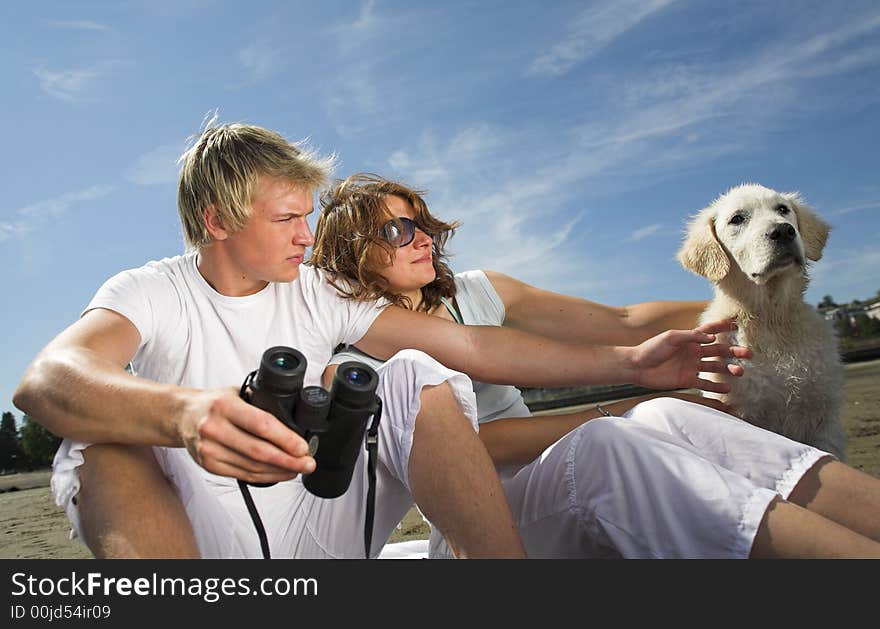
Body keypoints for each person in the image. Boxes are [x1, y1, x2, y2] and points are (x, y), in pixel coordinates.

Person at [12, 121, 746, 559]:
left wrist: (629, 365)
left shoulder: (319, 292)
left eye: (309, 214)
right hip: (196, 529)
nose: (309, 234)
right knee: (100, 447)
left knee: (411, 370)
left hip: (315, 517)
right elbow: (47, 379)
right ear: (218, 223)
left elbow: (480, 351)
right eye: (287, 219)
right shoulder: (151, 289)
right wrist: (183, 414)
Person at [309, 173, 880, 559]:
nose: (421, 239)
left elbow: (627, 320)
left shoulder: (478, 293)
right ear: (349, 253)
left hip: (564, 476)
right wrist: (626, 406)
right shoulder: (359, 353)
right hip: (483, 525)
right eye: (394, 230)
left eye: (421, 223)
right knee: (611, 441)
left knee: (669, 421)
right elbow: (473, 445)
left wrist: (764, 298)